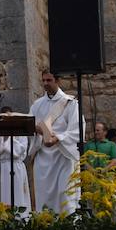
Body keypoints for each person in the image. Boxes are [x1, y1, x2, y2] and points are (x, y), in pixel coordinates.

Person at [29, 70, 81, 214]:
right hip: (43, 157)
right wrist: (37, 131)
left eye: (49, 80)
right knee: (44, 196)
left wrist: (58, 138)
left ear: (58, 81)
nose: (45, 84)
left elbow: (77, 129)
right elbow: (29, 125)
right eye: (43, 80)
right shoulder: (37, 105)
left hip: (62, 155)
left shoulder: (71, 103)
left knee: (64, 194)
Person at [0, 106, 30, 213]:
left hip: (16, 167)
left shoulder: (20, 132)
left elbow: (20, 149)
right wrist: (4, 141)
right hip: (0, 167)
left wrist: (7, 142)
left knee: (17, 196)